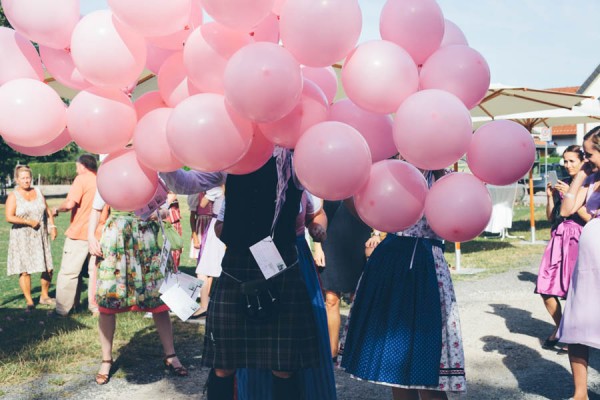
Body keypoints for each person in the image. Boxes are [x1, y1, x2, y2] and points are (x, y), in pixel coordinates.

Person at [161, 148, 320, 400]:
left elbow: (325, 188)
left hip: (282, 266)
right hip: (237, 265)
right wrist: (161, 155)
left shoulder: (296, 158)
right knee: (223, 363)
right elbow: (185, 182)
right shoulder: (232, 154)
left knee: (284, 365)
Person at [340, 169, 466, 400]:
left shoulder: (445, 179)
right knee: (395, 357)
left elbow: (461, 218)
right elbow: (357, 204)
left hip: (426, 262)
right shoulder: (393, 172)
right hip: (392, 258)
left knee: (427, 356)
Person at [236, 190, 336, 400]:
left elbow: (317, 214)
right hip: (257, 256)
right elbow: (222, 226)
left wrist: (318, 228)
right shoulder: (247, 177)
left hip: (297, 260)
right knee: (260, 329)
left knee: (300, 333)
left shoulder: (300, 176)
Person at [87, 190, 188, 385]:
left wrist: (157, 213)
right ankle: (106, 360)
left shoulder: (151, 170)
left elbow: (166, 210)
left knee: (159, 301)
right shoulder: (109, 169)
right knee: (109, 301)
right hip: (116, 240)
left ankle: (171, 355)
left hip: (146, 240)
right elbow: (96, 208)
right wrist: (91, 236)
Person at [557, 127, 600, 400]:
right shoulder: (591, 179)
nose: (586, 158)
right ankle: (580, 394)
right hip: (588, 264)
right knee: (577, 323)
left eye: (590, 153)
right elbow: (565, 210)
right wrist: (582, 175)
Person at [535, 145, 588, 352]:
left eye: (571, 161)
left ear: (583, 161)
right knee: (545, 287)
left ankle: (574, 336)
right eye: (565, 161)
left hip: (579, 238)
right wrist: (550, 196)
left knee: (574, 290)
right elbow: (552, 217)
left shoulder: (588, 184)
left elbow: (587, 216)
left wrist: (571, 195)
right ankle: (561, 327)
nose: (567, 165)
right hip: (558, 238)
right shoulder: (562, 183)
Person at [319, 199, 372, 361]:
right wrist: (317, 247)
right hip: (329, 237)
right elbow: (314, 212)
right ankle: (331, 352)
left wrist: (377, 232)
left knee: (358, 298)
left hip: (359, 234)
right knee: (331, 298)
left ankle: (356, 351)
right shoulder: (323, 178)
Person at [5, 165, 57, 311]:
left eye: (28, 177)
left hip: (40, 235)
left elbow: (47, 210)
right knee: (25, 269)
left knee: (48, 267)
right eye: (23, 178)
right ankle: (29, 301)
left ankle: (44, 296)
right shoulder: (13, 196)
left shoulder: (38, 191)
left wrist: (53, 227)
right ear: (17, 180)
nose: (26, 181)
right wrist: (28, 221)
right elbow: (9, 217)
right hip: (22, 236)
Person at [53, 154, 100, 316]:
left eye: (76, 167)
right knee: (96, 274)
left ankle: (63, 310)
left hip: (79, 233)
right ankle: (96, 308)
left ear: (82, 166)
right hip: (99, 234)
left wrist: (56, 209)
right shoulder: (102, 179)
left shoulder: (81, 179)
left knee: (69, 273)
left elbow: (70, 203)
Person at [190, 186, 225, 319]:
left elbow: (202, 203)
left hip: (216, 226)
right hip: (222, 225)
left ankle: (204, 306)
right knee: (214, 267)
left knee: (203, 269)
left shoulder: (215, 189)